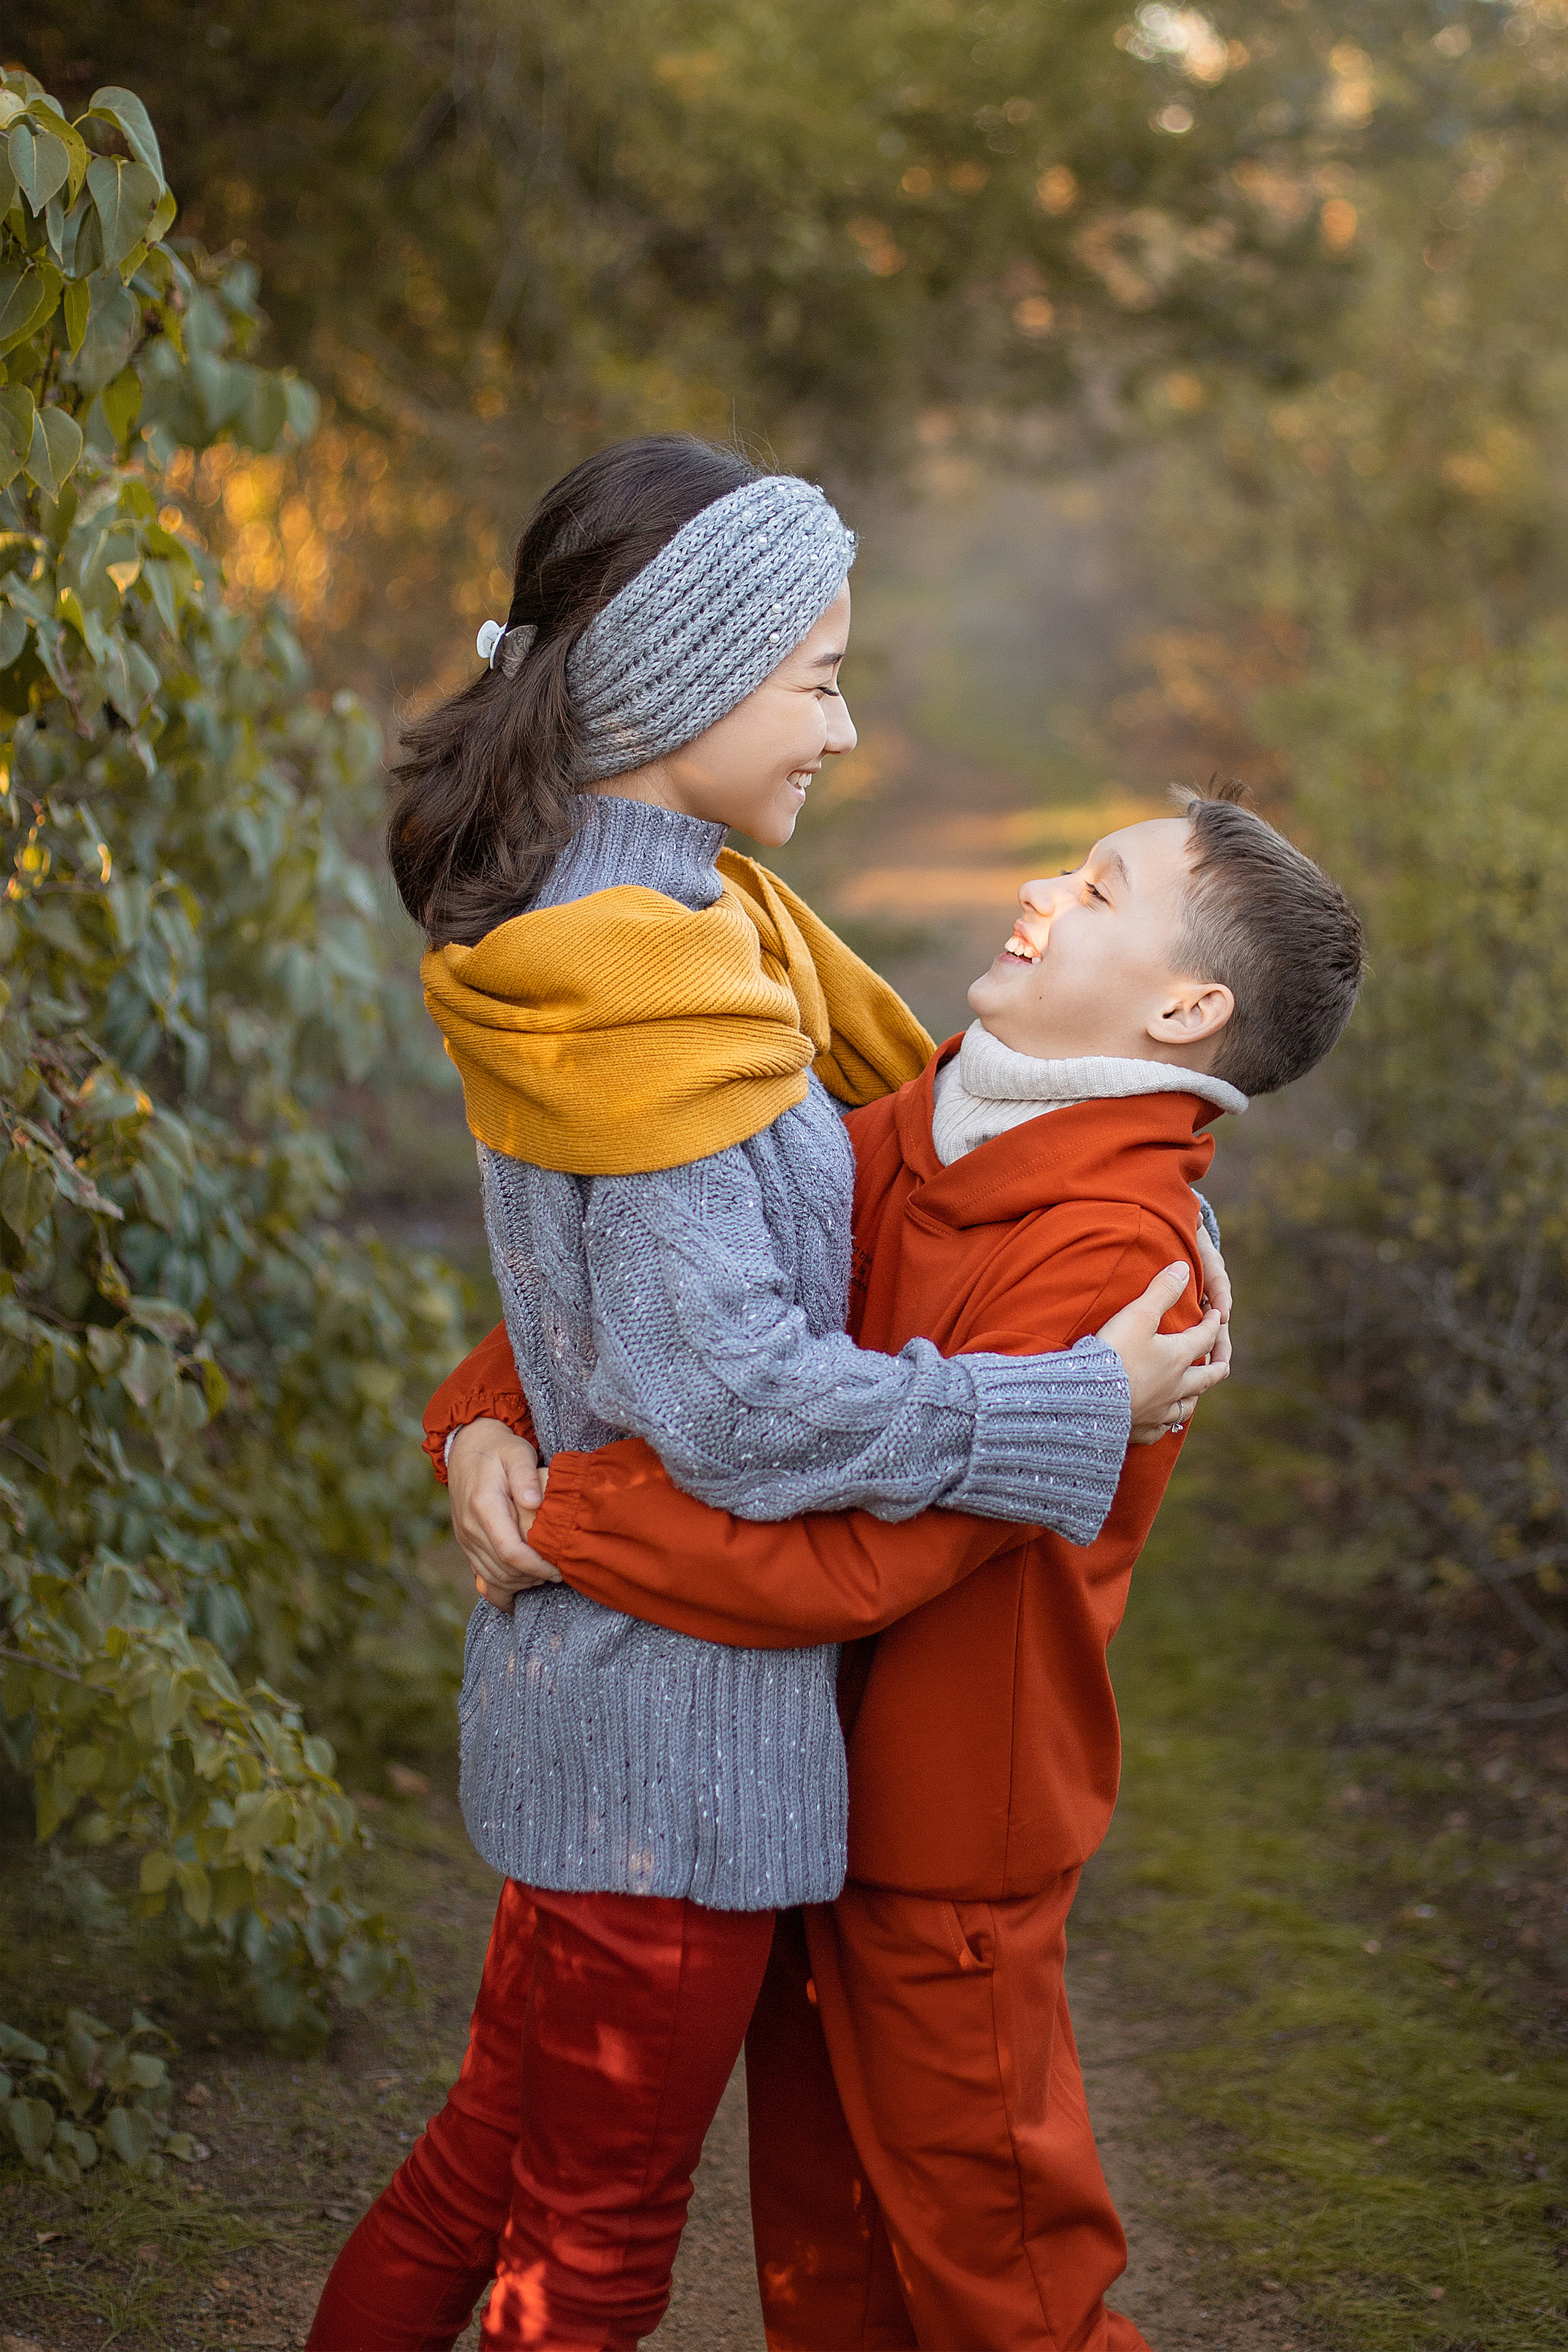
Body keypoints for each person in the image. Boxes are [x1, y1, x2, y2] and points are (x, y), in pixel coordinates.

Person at [306, 437, 1225, 2352]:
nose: (844, 724)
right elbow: (731, 1399)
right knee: (587, 2253)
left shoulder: (688, 928)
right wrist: (1074, 1406)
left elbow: (620, 1299)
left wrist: (486, 1409)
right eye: (817, 679)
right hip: (675, 1753)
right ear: (690, 685)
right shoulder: (648, 978)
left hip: (611, 1718)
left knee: (484, 2174)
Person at [434, 783, 1364, 2351]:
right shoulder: (919, 1116)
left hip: (941, 1830)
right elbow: (673, 1287)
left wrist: (571, 1522)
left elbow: (870, 1557)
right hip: (782, 1769)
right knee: (828, 2262)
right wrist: (486, 1413)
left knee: (1003, 2279)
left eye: (1098, 887)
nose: (1042, 889)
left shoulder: (1118, 1254)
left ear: (1183, 1007)